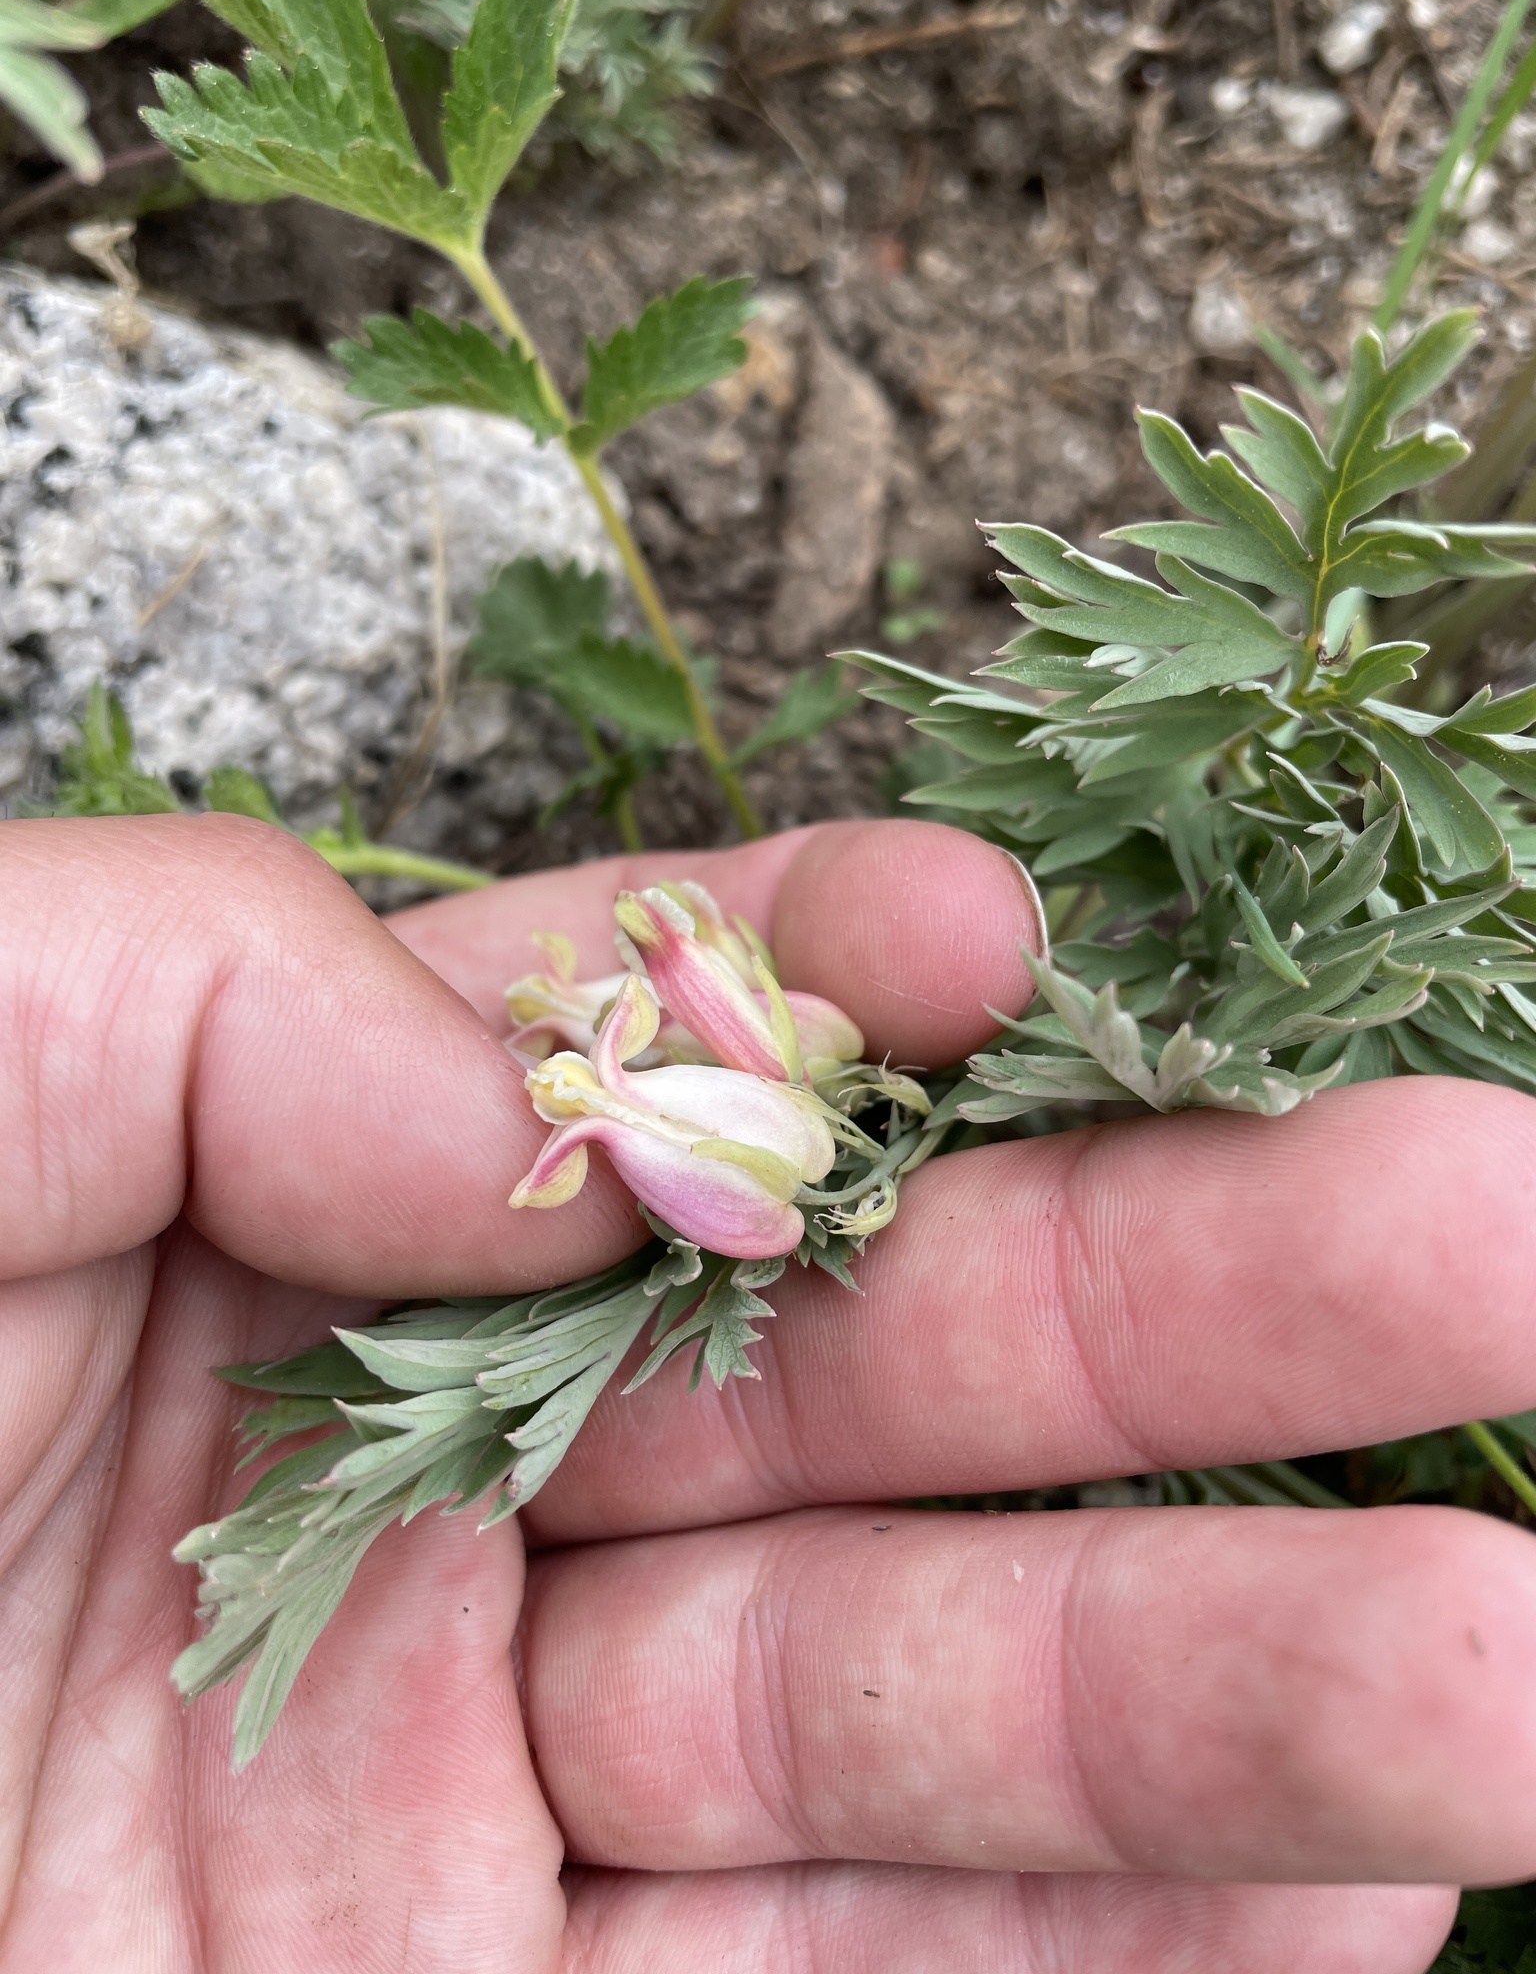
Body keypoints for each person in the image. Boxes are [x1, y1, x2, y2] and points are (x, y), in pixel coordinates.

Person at [2, 810, 1534, 1973]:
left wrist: (627, 1075)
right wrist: (617, 1088)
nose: (571, 1077)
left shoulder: (682, 1103)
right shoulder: (676, 1119)